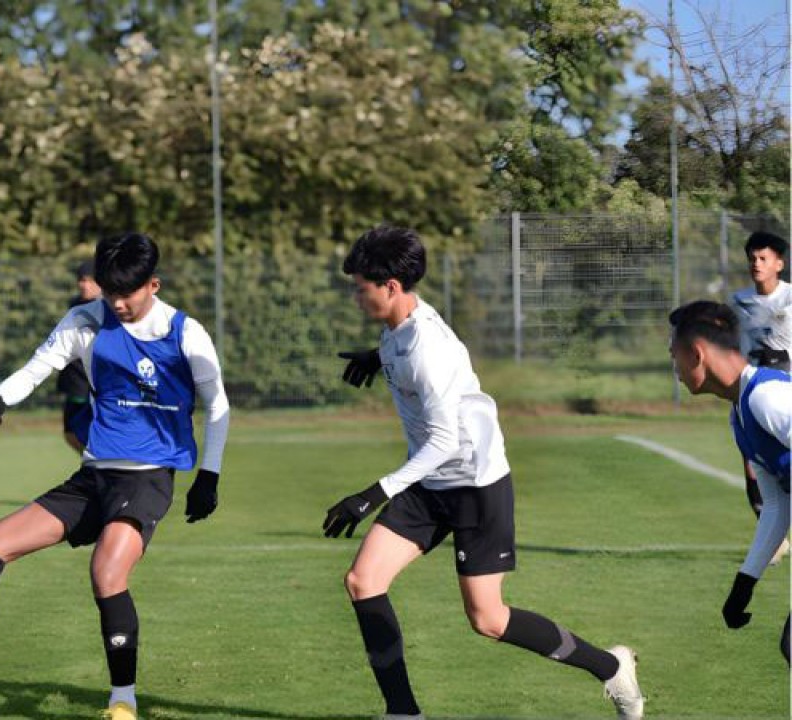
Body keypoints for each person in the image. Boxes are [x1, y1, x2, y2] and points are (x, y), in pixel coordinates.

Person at [0, 233, 230, 720]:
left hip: (147, 480)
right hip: (94, 476)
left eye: (128, 293)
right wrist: (0, 397)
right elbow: (39, 366)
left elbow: (218, 405)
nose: (119, 303)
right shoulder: (86, 320)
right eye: (110, 293)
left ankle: (122, 701)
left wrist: (208, 475)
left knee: (107, 573)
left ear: (154, 284)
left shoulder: (185, 333)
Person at [324, 225, 643, 720]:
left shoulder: (430, 350)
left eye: (360, 285)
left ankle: (610, 667)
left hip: (475, 483)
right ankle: (403, 712)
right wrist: (376, 357)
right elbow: (402, 355)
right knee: (363, 581)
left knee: (488, 619)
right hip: (432, 484)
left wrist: (372, 494)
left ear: (389, 286)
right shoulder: (397, 326)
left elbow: (445, 441)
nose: (354, 294)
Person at [668, 300, 790, 664]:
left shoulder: (768, 398)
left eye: (674, 356)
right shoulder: (740, 417)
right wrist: (745, 582)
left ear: (696, 353)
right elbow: (777, 505)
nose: (674, 369)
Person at [728, 232, 791, 562]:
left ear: (779, 263)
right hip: (751, 396)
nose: (756, 263)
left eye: (763, 258)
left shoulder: (791, 300)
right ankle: (776, 541)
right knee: (755, 467)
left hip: (786, 399)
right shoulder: (738, 302)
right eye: (752, 257)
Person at [58, 259, 102, 453]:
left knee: (92, 433)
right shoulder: (74, 305)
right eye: (81, 280)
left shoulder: (108, 307)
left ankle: (100, 469)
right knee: (70, 434)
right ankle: (95, 467)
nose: (84, 285)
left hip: (95, 383)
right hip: (75, 379)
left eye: (90, 280)